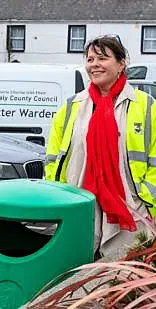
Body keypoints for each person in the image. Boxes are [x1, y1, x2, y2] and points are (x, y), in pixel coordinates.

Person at [45, 35, 156, 258]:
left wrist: (144, 198)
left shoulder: (146, 106)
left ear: (121, 63)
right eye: (90, 59)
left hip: (130, 211)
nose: (94, 64)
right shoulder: (71, 106)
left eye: (102, 58)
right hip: (79, 208)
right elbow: (53, 158)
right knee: (79, 276)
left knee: (121, 282)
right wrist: (57, 198)